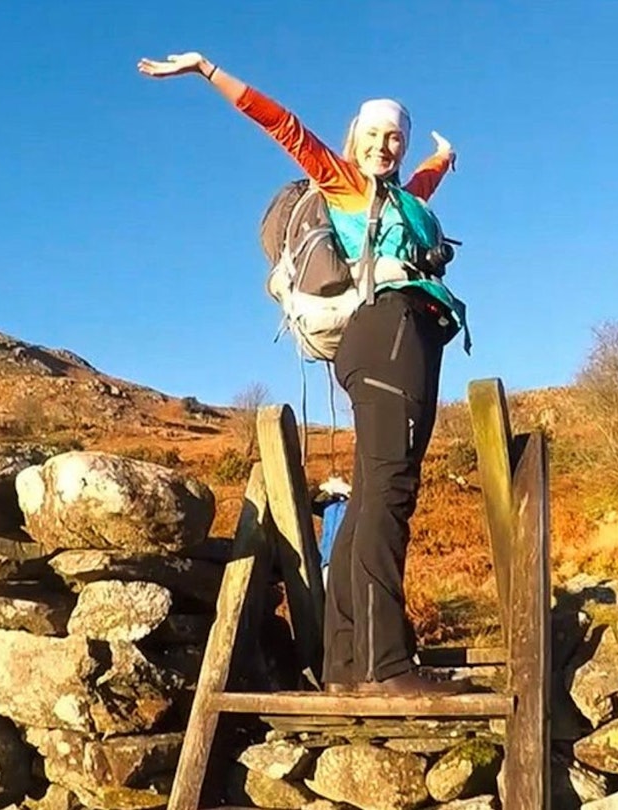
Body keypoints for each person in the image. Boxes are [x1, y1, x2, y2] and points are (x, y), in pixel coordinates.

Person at [139, 52, 469, 696]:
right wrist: (208, 71)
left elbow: (426, 181)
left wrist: (444, 156)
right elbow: (283, 125)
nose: (383, 144)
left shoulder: (403, 198)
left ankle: (347, 665)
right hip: (390, 332)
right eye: (372, 134)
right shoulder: (343, 183)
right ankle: (387, 666)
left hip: (392, 339)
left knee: (375, 493)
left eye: (393, 136)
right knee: (390, 494)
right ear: (354, 139)